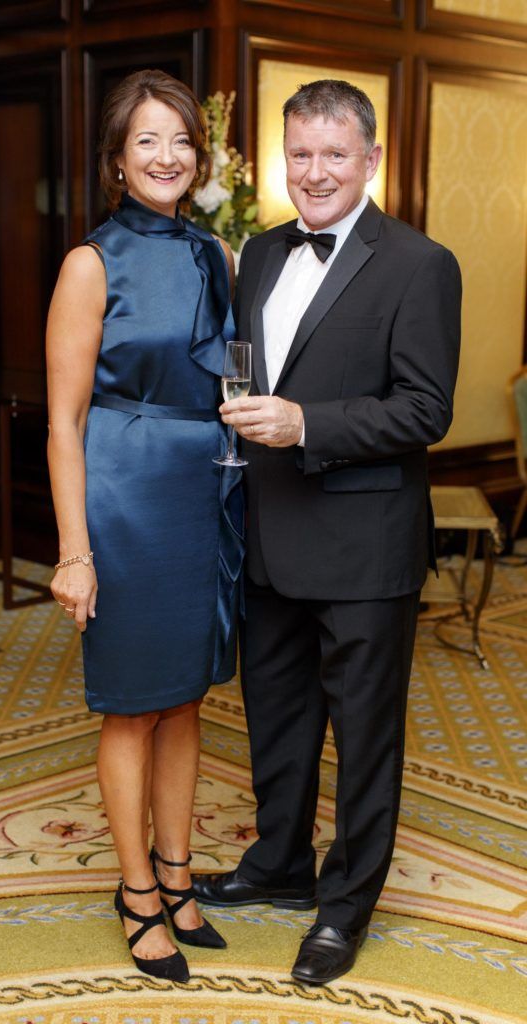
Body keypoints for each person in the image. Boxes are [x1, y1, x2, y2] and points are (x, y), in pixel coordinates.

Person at [192, 79, 461, 986]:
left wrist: (308, 424)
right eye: (300, 154)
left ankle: (345, 907)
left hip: (365, 545)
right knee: (276, 716)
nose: (315, 173)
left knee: (365, 737)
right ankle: (279, 863)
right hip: (270, 529)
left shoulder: (421, 263)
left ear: (371, 160)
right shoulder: (262, 252)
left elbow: (426, 409)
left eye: (334, 155)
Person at [46, 69, 244, 984]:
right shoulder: (90, 263)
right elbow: (63, 422)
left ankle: (177, 872)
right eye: (147, 142)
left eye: (181, 141)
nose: (168, 157)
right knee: (132, 707)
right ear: (117, 162)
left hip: (201, 493)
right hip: (123, 498)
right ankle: (135, 892)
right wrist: (75, 551)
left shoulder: (214, 254)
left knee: (186, 698)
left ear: (197, 157)